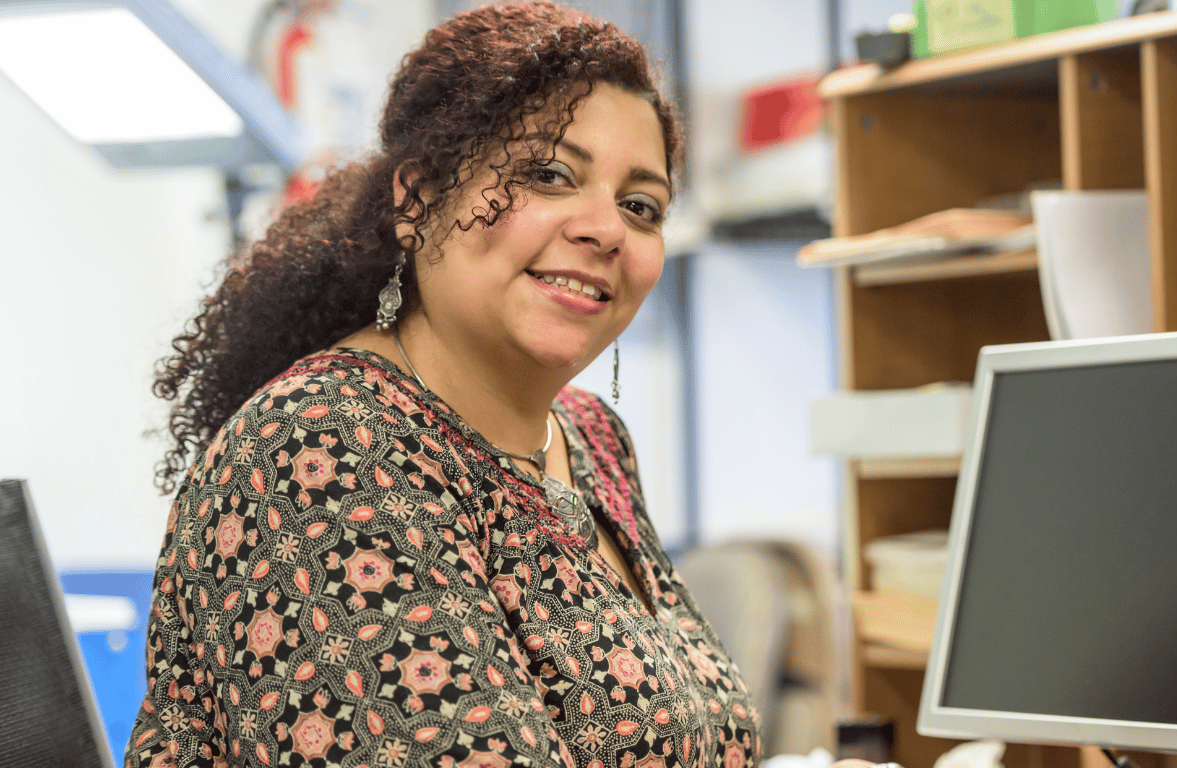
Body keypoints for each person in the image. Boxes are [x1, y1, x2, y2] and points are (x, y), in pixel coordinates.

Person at [125, 3, 762, 767]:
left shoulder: (591, 438)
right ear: (419, 198)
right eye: (549, 175)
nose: (606, 229)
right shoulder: (323, 444)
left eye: (641, 206)